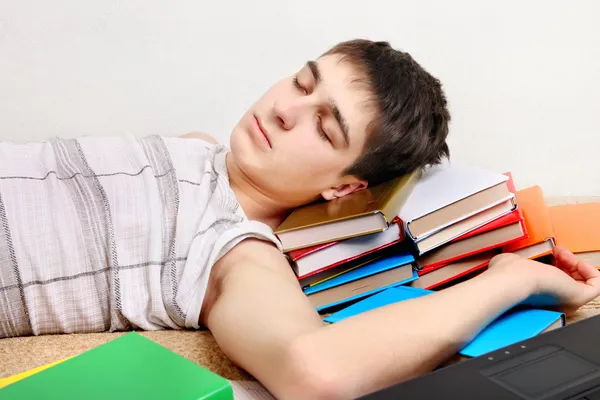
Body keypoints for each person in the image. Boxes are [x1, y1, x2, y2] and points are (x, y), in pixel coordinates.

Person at [0, 39, 598, 399]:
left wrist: (511, 279)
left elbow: (317, 374)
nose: (285, 110)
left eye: (324, 124)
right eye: (301, 83)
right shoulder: (204, 148)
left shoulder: (234, 249)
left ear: (346, 186)